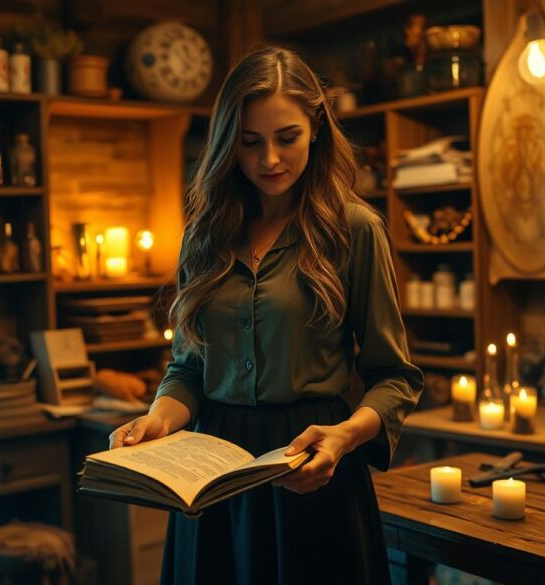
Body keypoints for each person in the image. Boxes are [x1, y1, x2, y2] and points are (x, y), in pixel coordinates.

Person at [109, 46, 423, 585]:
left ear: (316, 126)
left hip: (311, 470)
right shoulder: (203, 237)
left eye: (287, 137)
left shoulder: (355, 230)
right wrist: (157, 420)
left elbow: (394, 378)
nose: (270, 159)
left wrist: (345, 437)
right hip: (212, 481)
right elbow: (188, 370)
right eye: (250, 142)